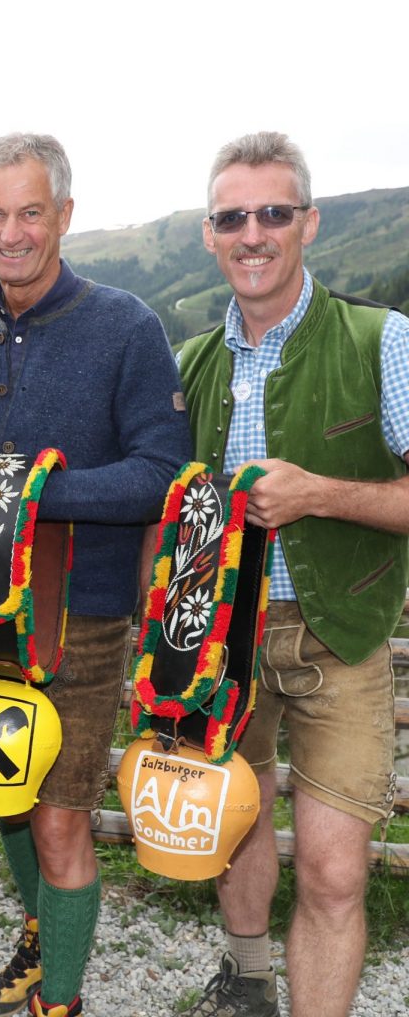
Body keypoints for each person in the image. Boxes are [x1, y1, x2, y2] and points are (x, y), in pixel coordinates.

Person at [0, 133, 191, 1017]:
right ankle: (45, 935)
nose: (13, 232)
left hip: (84, 614)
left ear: (65, 217)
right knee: (5, 796)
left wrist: (29, 491)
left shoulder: (126, 326)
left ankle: (66, 1000)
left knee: (60, 817)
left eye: (31, 212)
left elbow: (163, 472)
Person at [175, 132, 409, 1017]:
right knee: (231, 825)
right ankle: (247, 981)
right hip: (216, 645)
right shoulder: (193, 363)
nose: (254, 233)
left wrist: (320, 493)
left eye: (274, 212)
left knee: (335, 870)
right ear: (209, 234)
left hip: (338, 634)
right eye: (233, 217)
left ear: (308, 223)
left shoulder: (383, 340)